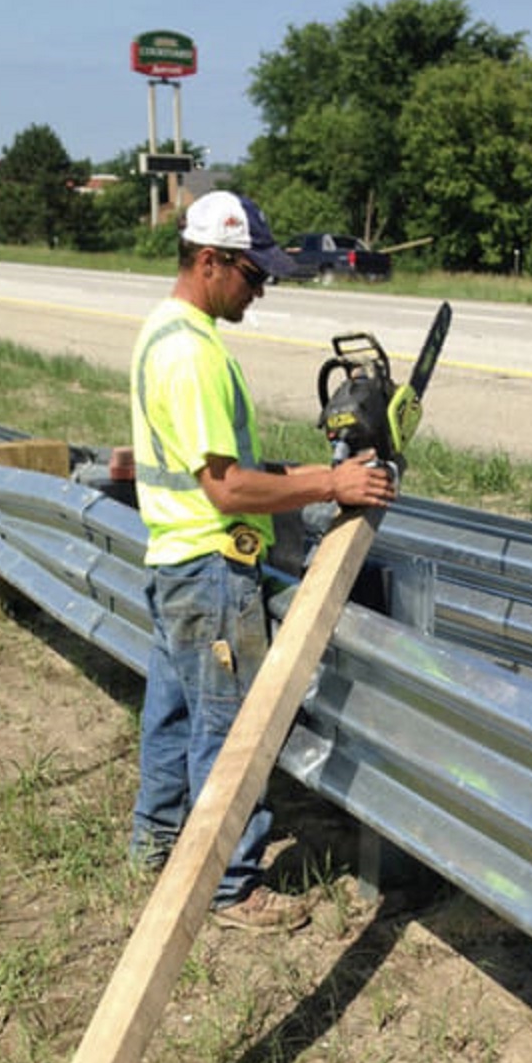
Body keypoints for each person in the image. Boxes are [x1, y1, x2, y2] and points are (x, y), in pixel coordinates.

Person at [128, 191, 396, 931]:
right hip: (211, 568)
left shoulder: (168, 330)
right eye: (253, 275)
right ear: (210, 261)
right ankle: (229, 885)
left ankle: (154, 847)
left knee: (173, 716)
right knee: (229, 730)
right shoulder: (191, 355)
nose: (261, 289)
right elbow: (227, 487)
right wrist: (332, 482)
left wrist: (301, 472)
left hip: (173, 561)